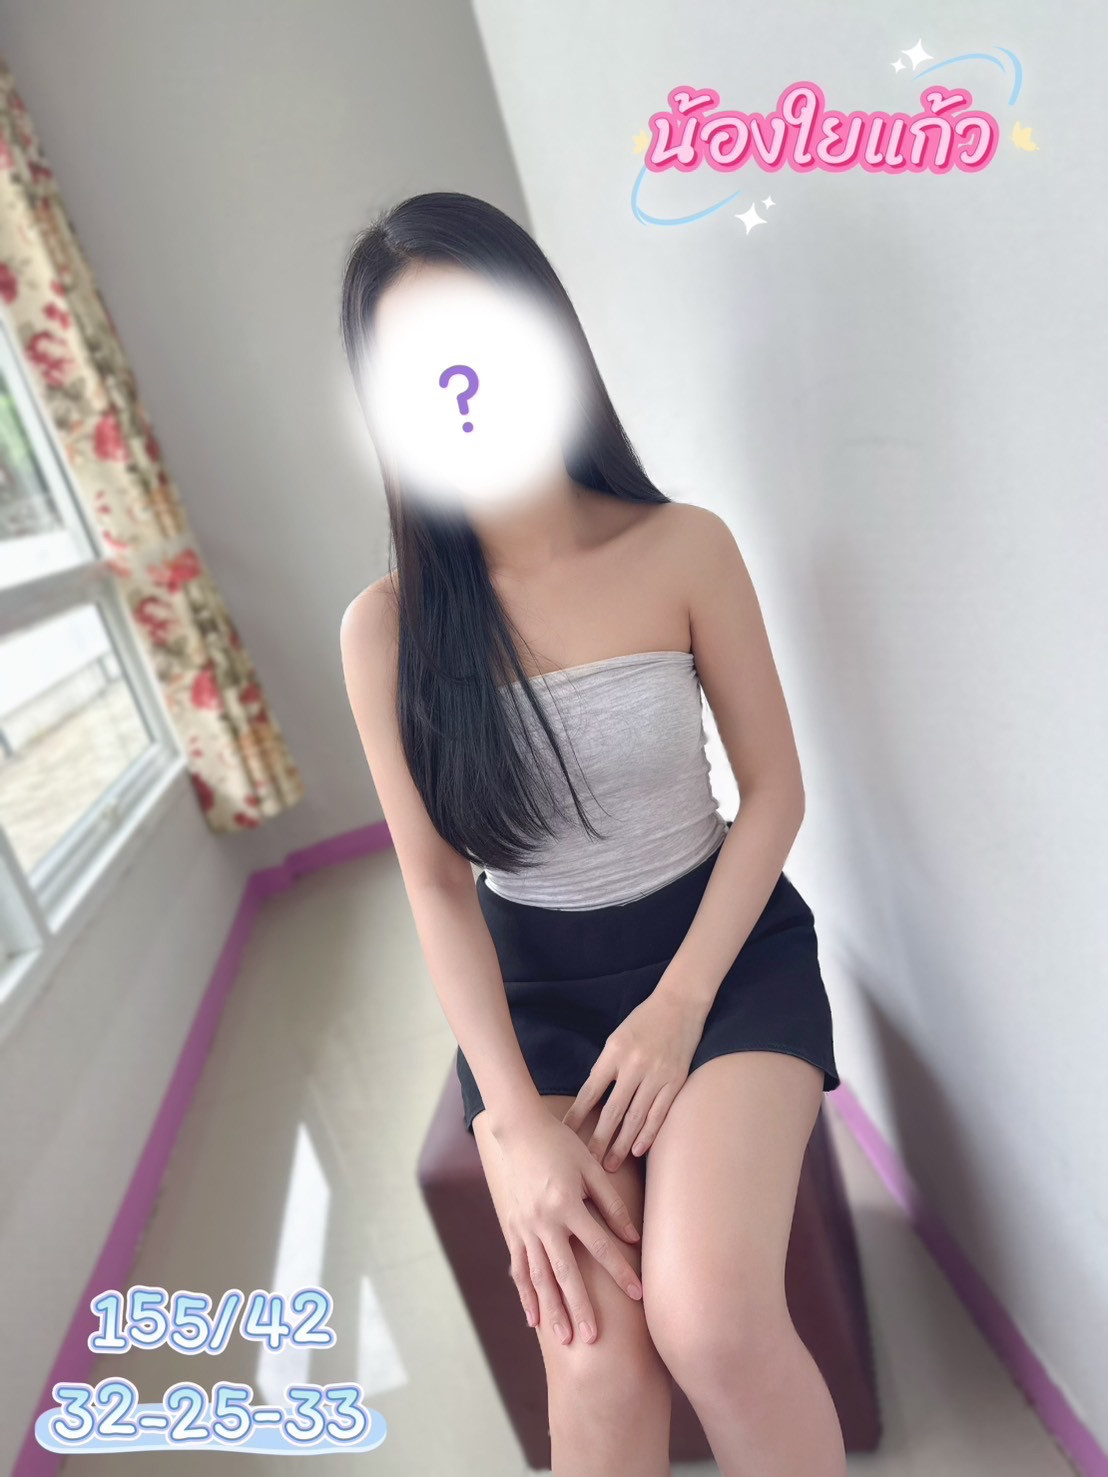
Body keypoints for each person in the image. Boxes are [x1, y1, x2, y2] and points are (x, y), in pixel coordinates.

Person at [338, 191, 845, 1477]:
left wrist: (680, 1003)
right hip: (537, 1002)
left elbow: (774, 792)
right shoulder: (386, 629)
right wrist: (512, 1129)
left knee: (710, 1317)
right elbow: (437, 886)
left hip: (721, 960)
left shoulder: (682, 545)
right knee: (595, 1354)